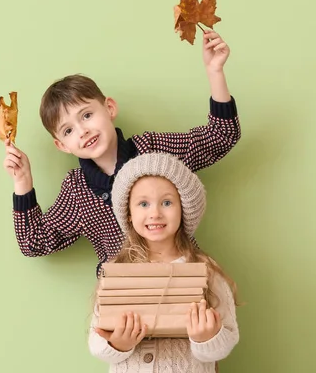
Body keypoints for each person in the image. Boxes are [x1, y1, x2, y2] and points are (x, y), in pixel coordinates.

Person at [3, 30, 240, 275]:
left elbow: (221, 136)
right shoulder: (77, 190)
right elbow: (34, 242)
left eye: (87, 115)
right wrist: (22, 181)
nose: (83, 131)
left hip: (180, 278)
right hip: (121, 295)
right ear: (62, 145)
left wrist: (215, 72)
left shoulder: (153, 152)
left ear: (109, 108)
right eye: (69, 130)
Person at [88, 152, 239, 372]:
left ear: (183, 209)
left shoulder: (206, 271)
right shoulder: (116, 272)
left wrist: (207, 338)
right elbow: (96, 340)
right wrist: (118, 345)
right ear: (129, 213)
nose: (155, 213)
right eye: (143, 204)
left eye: (167, 202)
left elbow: (228, 337)